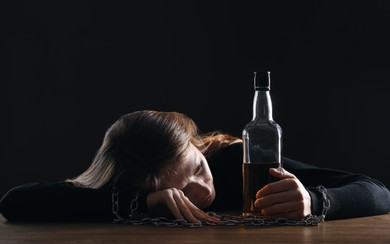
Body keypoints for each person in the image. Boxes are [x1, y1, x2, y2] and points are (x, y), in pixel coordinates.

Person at [0, 110, 389, 223]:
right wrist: (145, 202)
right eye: (181, 190)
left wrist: (315, 203)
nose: (203, 192)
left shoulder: (236, 159)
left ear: (197, 144)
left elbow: (377, 191)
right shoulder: (132, 192)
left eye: (198, 168)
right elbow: (16, 202)